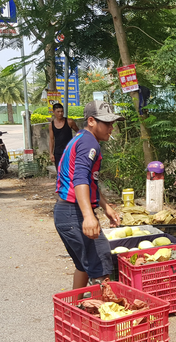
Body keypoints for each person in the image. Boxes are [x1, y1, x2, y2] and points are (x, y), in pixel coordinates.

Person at [54, 100, 122, 290]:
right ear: (91, 121)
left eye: (112, 123)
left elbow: (90, 181)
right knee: (101, 265)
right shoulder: (89, 142)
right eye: (106, 123)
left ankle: (74, 309)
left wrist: (105, 206)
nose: (111, 128)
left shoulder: (80, 138)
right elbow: (80, 179)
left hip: (63, 213)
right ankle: (104, 316)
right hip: (73, 213)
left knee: (83, 266)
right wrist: (89, 217)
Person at [49, 103, 80, 170]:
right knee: (60, 172)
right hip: (58, 153)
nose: (60, 113)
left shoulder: (70, 122)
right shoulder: (51, 125)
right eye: (58, 112)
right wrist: (51, 153)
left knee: (70, 171)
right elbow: (51, 139)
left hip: (69, 152)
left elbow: (79, 133)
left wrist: (77, 145)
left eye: (62, 111)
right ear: (54, 112)